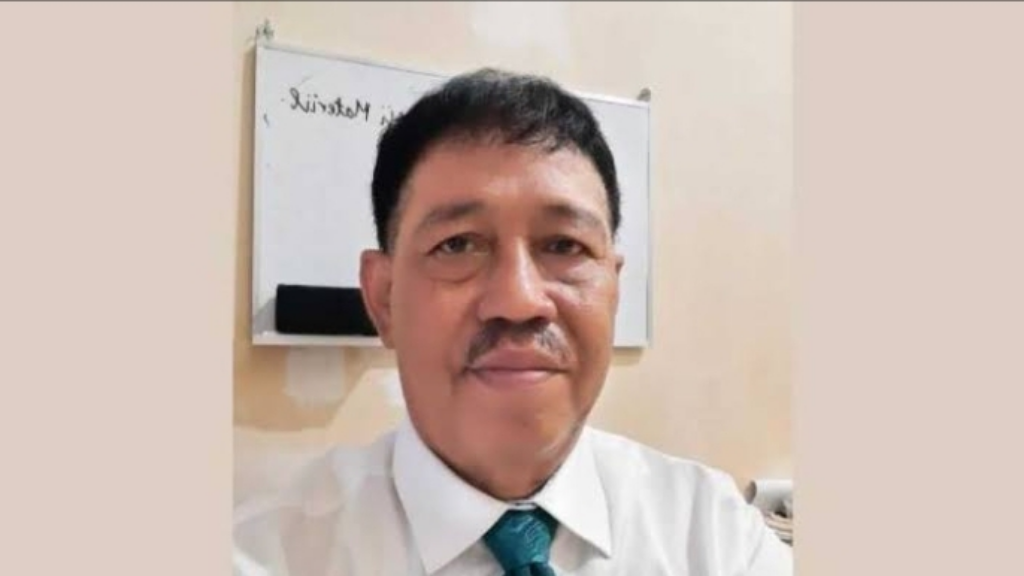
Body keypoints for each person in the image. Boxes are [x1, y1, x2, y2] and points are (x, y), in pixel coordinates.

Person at [234, 68, 793, 576]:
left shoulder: (713, 536)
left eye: (564, 245)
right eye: (458, 244)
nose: (519, 300)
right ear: (384, 299)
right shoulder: (261, 555)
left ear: (614, 289)